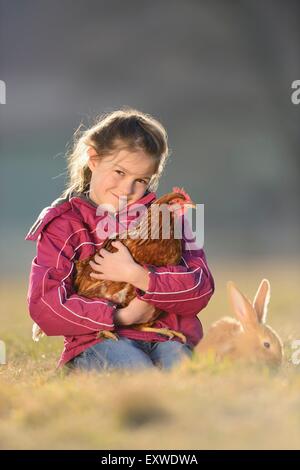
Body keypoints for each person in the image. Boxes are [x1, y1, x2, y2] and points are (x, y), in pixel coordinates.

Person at [25, 107, 215, 372]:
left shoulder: (167, 220)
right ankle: (78, 374)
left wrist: (138, 276)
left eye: (141, 180)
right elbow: (45, 303)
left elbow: (200, 288)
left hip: (167, 335)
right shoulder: (65, 224)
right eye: (120, 173)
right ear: (94, 158)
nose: (127, 189)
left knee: (185, 376)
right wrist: (121, 316)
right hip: (98, 341)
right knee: (138, 372)